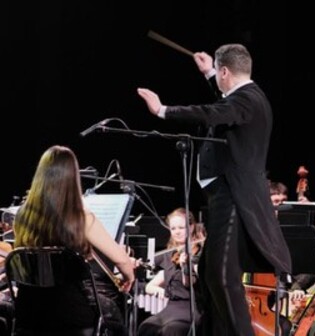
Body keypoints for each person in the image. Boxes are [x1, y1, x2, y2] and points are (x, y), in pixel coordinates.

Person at [137, 43, 292, 335]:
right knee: (210, 275)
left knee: (223, 277)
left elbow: (212, 112)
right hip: (226, 197)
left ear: (226, 71)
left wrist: (162, 111)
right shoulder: (248, 98)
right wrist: (209, 72)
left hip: (234, 198)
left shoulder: (246, 100)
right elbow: (226, 105)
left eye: (218, 74)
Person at [12, 145, 136, 334]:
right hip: (69, 313)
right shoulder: (81, 218)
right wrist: (129, 277)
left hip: (28, 311)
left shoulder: (22, 215)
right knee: (112, 312)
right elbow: (121, 260)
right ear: (72, 179)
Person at [137, 207, 205, 336]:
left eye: (181, 228)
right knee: (146, 327)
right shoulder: (170, 255)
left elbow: (188, 283)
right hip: (171, 307)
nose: (177, 232)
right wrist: (161, 291)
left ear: (191, 227)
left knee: (171, 330)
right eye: (173, 228)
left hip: (191, 308)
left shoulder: (199, 254)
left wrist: (186, 265)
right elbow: (150, 285)